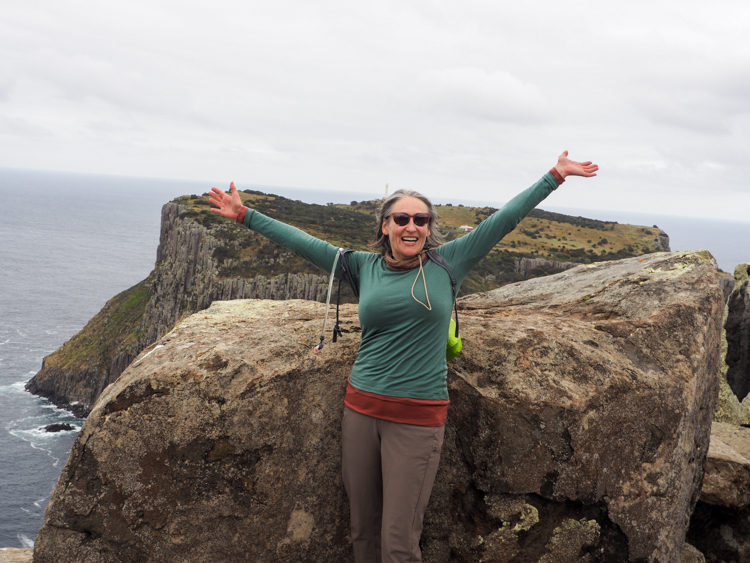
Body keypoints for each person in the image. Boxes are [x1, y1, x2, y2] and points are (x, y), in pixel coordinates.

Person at [209, 151, 598, 563]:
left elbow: (503, 221)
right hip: (360, 411)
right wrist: (244, 216)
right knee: (362, 531)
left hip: (416, 420)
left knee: (398, 542)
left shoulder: (449, 263)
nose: (411, 226)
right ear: (385, 225)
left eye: (421, 220)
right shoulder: (360, 266)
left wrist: (554, 175)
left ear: (429, 229)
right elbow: (304, 243)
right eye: (401, 219)